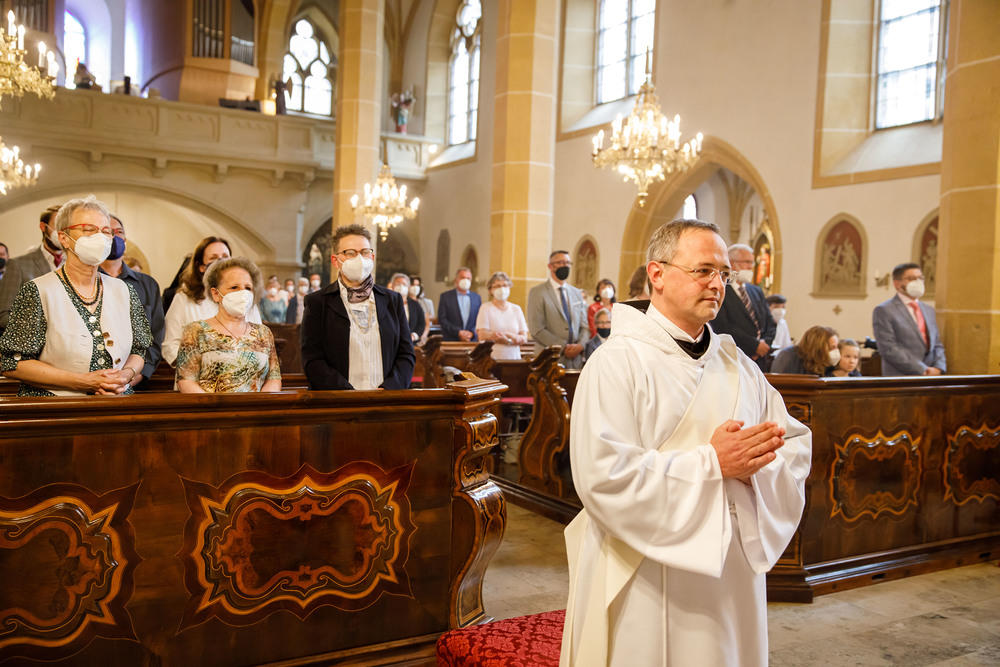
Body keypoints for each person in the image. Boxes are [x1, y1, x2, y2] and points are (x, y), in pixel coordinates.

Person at [560, 219, 810, 667]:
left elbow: (792, 445)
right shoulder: (617, 363)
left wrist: (757, 467)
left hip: (731, 572)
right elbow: (603, 476)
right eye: (703, 270)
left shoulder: (739, 366)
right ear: (657, 274)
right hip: (647, 575)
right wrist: (713, 463)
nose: (717, 284)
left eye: (724, 274)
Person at [0, 196, 152, 396]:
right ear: (63, 237)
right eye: (89, 229)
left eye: (106, 231)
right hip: (55, 405)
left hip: (117, 400)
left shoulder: (125, 290)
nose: (100, 238)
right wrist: (83, 381)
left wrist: (124, 376)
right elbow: (13, 363)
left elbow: (139, 351)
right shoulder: (37, 290)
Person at [300, 224, 414, 390]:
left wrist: (388, 390)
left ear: (372, 257)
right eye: (350, 253)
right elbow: (312, 359)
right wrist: (347, 395)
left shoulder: (392, 300)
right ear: (335, 261)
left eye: (365, 252)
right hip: (338, 399)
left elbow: (406, 354)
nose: (359, 259)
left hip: (386, 399)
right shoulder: (317, 302)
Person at [176, 257, 281, 393]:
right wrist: (214, 405)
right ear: (216, 294)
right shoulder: (196, 331)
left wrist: (261, 403)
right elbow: (186, 381)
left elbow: (273, 379)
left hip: (258, 406)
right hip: (209, 405)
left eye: (248, 288)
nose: (243, 293)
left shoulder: (264, 333)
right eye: (234, 287)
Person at [162, 237, 262, 366]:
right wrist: (194, 366)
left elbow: (258, 340)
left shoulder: (245, 297)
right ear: (201, 267)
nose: (221, 262)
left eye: (225, 257)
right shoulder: (184, 297)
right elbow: (170, 344)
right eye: (213, 258)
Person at [99, 214, 166, 384]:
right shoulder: (88, 281)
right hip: (95, 376)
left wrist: (137, 375)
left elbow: (155, 334)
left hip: (135, 378)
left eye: (118, 232)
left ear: (125, 240)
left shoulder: (147, 284)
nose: (114, 237)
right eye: (107, 232)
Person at [710, 243, 776, 370]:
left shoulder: (756, 291)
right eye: (747, 262)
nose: (751, 267)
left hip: (760, 360)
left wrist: (764, 345)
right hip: (734, 357)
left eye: (752, 262)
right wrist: (754, 346)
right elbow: (723, 326)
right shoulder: (722, 290)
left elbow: (770, 322)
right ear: (731, 263)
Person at [872, 262, 946, 376]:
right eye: (912, 278)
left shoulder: (928, 310)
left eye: (920, 278)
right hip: (901, 376)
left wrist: (939, 367)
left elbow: (936, 344)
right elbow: (888, 348)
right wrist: (922, 370)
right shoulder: (884, 310)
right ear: (897, 284)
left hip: (932, 376)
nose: (918, 282)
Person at [0, 204, 64, 332]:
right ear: (43, 227)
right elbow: (3, 315)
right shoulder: (18, 265)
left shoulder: (76, 265)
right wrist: (39, 330)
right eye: (57, 225)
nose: (61, 231)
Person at [527, 250, 589, 370]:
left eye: (567, 263)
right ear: (550, 266)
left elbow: (584, 326)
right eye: (560, 262)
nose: (565, 266)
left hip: (575, 360)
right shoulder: (537, 292)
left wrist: (580, 346)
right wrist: (562, 346)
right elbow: (536, 329)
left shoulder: (576, 293)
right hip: (549, 359)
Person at [475, 271, 529, 360]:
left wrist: (508, 337)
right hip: (493, 357)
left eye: (505, 285)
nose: (502, 289)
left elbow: (524, 337)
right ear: (490, 290)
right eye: (497, 286)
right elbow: (482, 335)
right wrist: (510, 338)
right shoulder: (486, 308)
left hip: (514, 357)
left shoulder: (516, 309)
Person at [771, 326, 839, 376]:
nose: (835, 351)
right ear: (818, 347)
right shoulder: (788, 356)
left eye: (837, 347)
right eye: (832, 347)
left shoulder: (829, 364)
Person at [438, 267, 481, 342]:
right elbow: (442, 319)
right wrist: (458, 332)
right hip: (451, 340)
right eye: (462, 277)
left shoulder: (477, 297)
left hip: (471, 340)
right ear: (456, 280)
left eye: (468, 278)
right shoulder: (445, 297)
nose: (465, 280)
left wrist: (472, 333)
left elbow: (480, 319)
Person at [388, 273, 427, 344]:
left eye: (404, 284)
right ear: (392, 286)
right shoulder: (387, 303)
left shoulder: (415, 305)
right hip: (391, 342)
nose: (401, 286)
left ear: (408, 287)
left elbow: (421, 324)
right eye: (398, 284)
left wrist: (413, 336)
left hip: (410, 343)